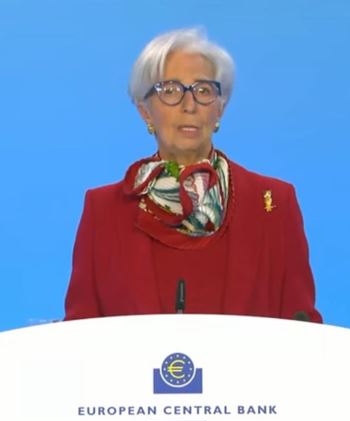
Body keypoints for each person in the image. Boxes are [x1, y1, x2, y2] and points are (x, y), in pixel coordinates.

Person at [64, 28, 322, 323]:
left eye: (203, 91)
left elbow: (304, 328)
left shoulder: (274, 205)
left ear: (220, 108)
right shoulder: (103, 211)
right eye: (170, 91)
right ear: (145, 111)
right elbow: (80, 331)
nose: (189, 106)